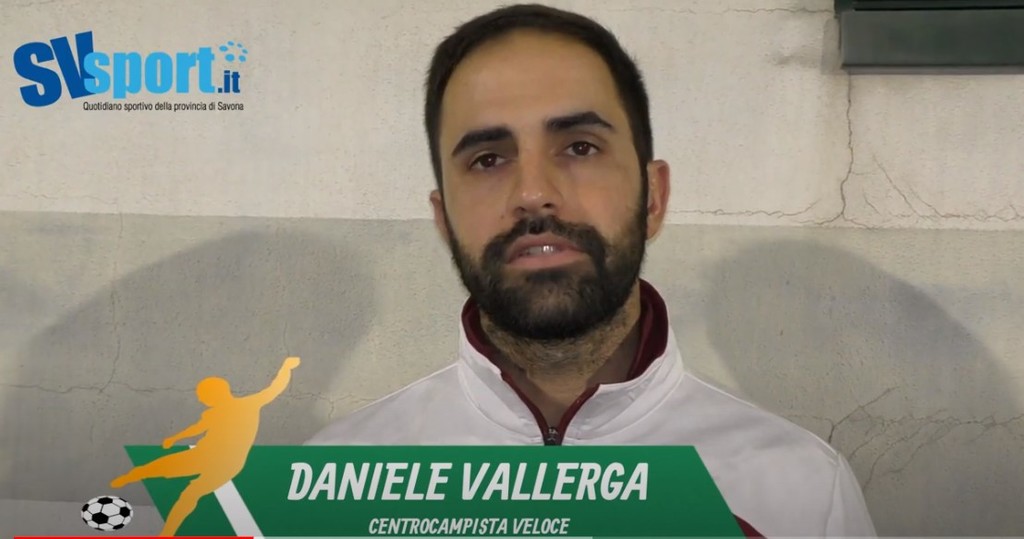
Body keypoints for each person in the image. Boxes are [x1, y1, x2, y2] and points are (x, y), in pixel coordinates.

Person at [307, 4, 875, 537]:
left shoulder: (800, 492)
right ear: (445, 221)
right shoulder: (326, 498)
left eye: (580, 147)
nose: (533, 193)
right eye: (488, 159)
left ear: (653, 197)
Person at [112, 356, 301, 536]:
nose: (202, 400)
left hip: (227, 464)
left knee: (189, 495)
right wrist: (175, 438)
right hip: (203, 455)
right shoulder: (212, 414)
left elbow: (274, 389)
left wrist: (286, 367)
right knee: (157, 467)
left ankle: (167, 533)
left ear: (216, 394)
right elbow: (197, 428)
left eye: (204, 396)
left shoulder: (249, 405)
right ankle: (131, 476)